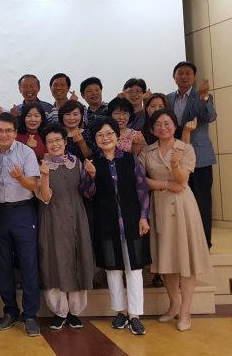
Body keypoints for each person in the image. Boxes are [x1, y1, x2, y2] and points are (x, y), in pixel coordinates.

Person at [140, 109, 212, 332]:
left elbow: (182, 180)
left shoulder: (185, 148)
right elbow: (141, 181)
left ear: (174, 125)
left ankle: (186, 311)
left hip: (183, 206)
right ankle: (174, 305)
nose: (163, 127)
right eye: (158, 124)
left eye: (167, 123)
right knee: (167, 258)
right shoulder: (147, 151)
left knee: (186, 260)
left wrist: (174, 166)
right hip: (160, 206)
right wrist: (165, 184)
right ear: (152, 129)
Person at [82, 118, 151, 336]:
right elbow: (87, 193)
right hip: (106, 222)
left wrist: (144, 217)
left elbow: (142, 189)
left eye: (109, 133)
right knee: (112, 269)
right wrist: (91, 175)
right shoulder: (92, 163)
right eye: (100, 135)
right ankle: (120, 312)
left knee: (134, 268)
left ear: (116, 135)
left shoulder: (130, 160)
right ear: (95, 140)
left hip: (132, 220)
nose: (105, 138)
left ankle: (135, 315)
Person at [35, 123, 95, 330]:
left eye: (58, 140)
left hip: (77, 217)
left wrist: (92, 176)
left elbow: (88, 192)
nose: (54, 144)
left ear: (65, 141)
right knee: (53, 261)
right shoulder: (41, 165)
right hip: (52, 219)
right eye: (50, 141)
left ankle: (74, 312)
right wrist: (44, 176)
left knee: (77, 260)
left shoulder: (76, 162)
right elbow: (44, 197)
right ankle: (59, 311)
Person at [0, 112, 41, 337]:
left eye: (8, 131)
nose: (4, 135)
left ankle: (30, 315)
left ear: (15, 132)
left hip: (23, 211)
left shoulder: (25, 152)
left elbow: (33, 185)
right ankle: (10, 311)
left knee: (29, 263)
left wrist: (20, 178)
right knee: (2, 264)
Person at [167, 61, 217, 249]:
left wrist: (204, 97)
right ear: (174, 77)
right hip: (176, 157)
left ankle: (204, 243)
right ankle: (185, 243)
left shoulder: (202, 96)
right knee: (179, 202)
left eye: (188, 73)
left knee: (202, 200)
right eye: (180, 73)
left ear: (194, 77)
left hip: (200, 157)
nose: (184, 76)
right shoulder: (168, 98)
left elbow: (210, 116)